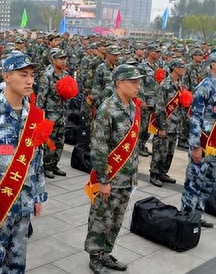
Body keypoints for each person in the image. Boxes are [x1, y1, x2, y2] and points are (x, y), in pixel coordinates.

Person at [0, 52, 47, 274]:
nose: (29, 80)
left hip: (23, 201)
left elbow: (37, 159)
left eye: (32, 75)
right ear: (6, 76)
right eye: (23, 74)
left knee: (17, 261)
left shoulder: (34, 116)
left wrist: (38, 194)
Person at [85, 64, 144, 274]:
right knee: (101, 217)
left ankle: (106, 253)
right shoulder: (107, 109)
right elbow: (99, 147)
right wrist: (103, 179)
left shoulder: (133, 107)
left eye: (138, 81)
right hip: (110, 177)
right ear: (119, 83)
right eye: (133, 82)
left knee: (117, 218)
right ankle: (95, 256)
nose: (138, 86)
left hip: (127, 176)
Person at [181, 51, 216, 228]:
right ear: (213, 64)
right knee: (195, 180)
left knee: (208, 180)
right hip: (204, 143)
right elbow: (195, 118)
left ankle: (198, 213)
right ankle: (187, 215)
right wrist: (196, 146)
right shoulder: (205, 87)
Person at [149, 59, 185, 187]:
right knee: (160, 151)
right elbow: (159, 108)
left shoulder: (180, 83)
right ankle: (154, 173)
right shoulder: (165, 84)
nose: (184, 69)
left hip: (175, 125)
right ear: (175, 68)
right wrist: (161, 127)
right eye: (182, 67)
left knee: (170, 152)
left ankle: (163, 172)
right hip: (165, 124)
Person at [37, 48, 72, 178]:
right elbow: (41, 97)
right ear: (53, 60)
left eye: (65, 59)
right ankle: (46, 165)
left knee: (60, 140)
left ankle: (55, 164)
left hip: (62, 113)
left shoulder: (65, 75)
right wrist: (41, 116)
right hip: (50, 115)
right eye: (61, 59)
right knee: (49, 141)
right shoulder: (47, 75)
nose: (64, 61)